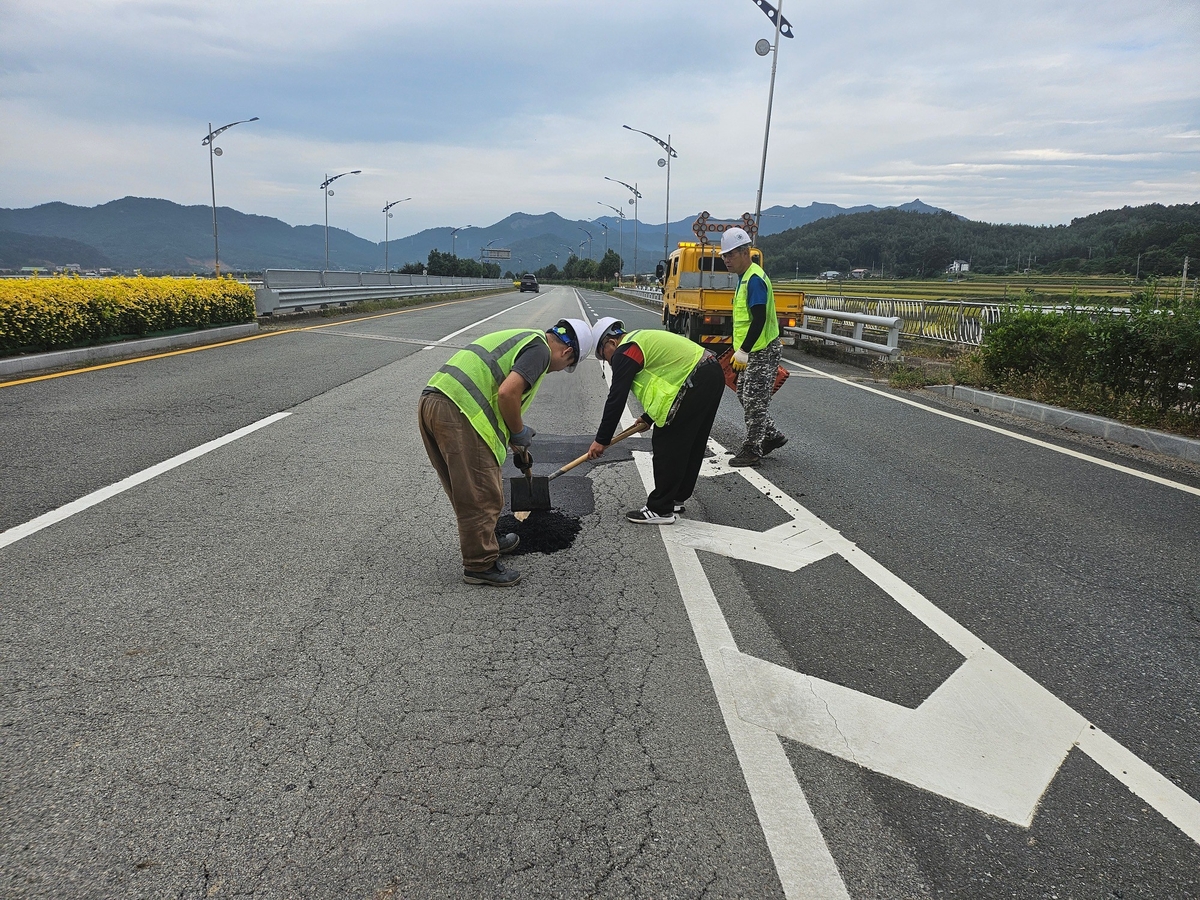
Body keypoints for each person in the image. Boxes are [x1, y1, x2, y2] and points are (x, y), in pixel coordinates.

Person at [419, 317, 594, 586]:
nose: (558, 370)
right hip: (458, 410)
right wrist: (518, 431)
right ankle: (480, 565)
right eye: (566, 367)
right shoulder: (541, 351)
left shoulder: (525, 339)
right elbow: (507, 394)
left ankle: (487, 540)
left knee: (466, 489)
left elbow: (496, 395)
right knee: (482, 493)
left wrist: (515, 437)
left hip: (434, 402)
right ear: (567, 352)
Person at [587, 317, 725, 525]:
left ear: (610, 343)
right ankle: (675, 497)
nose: (608, 362)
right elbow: (666, 380)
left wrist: (602, 439)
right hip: (710, 372)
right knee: (691, 441)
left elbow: (616, 397)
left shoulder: (626, 351)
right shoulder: (639, 341)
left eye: (604, 356)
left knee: (667, 442)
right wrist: (648, 417)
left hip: (696, 378)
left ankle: (660, 508)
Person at [720, 227, 788, 467]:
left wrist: (744, 350)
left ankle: (752, 449)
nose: (727, 260)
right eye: (724, 256)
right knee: (744, 395)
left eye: (731, 254)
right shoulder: (744, 278)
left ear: (745, 252)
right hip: (752, 351)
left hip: (762, 350)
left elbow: (759, 319)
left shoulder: (754, 279)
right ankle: (771, 435)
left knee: (754, 400)